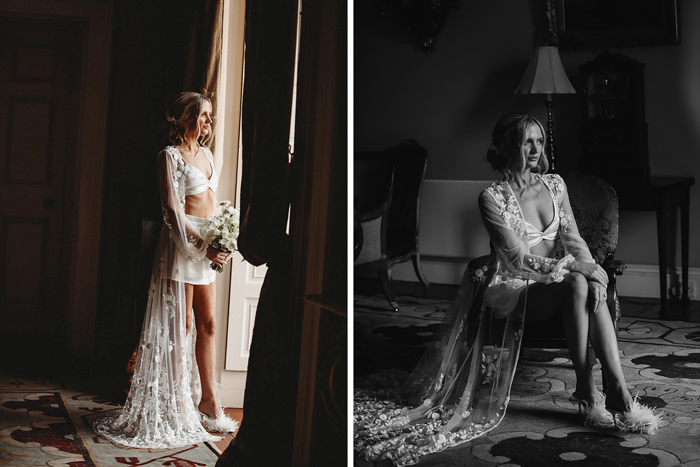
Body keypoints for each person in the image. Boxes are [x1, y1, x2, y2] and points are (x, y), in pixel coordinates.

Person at [354, 113, 660, 466]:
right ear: (505, 146)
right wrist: (579, 269)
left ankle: (609, 391)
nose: (535, 148)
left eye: (539, 141)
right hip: (515, 287)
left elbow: (574, 240)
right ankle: (592, 389)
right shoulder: (492, 198)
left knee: (583, 284)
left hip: (561, 281)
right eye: (526, 141)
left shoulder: (555, 185)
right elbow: (517, 259)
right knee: (576, 279)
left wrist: (596, 273)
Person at [94, 92, 239, 449]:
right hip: (181, 243)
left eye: (209, 116)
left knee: (209, 324)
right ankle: (175, 404)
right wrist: (200, 244)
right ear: (186, 118)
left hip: (207, 244)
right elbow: (171, 210)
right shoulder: (169, 156)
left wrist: (222, 238)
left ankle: (209, 400)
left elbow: (213, 201)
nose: (208, 122)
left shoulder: (207, 155)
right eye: (203, 115)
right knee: (182, 324)